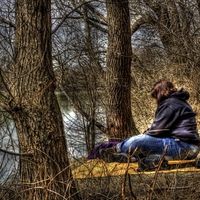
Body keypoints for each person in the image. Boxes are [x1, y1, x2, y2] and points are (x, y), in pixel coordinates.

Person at [88, 80, 200, 162]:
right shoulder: (178, 101)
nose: (156, 99)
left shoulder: (170, 103)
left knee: (135, 141)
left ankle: (114, 150)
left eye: (156, 96)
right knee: (142, 146)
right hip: (188, 147)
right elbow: (161, 130)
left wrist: (143, 135)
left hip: (182, 146)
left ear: (161, 92)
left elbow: (157, 131)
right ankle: (129, 158)